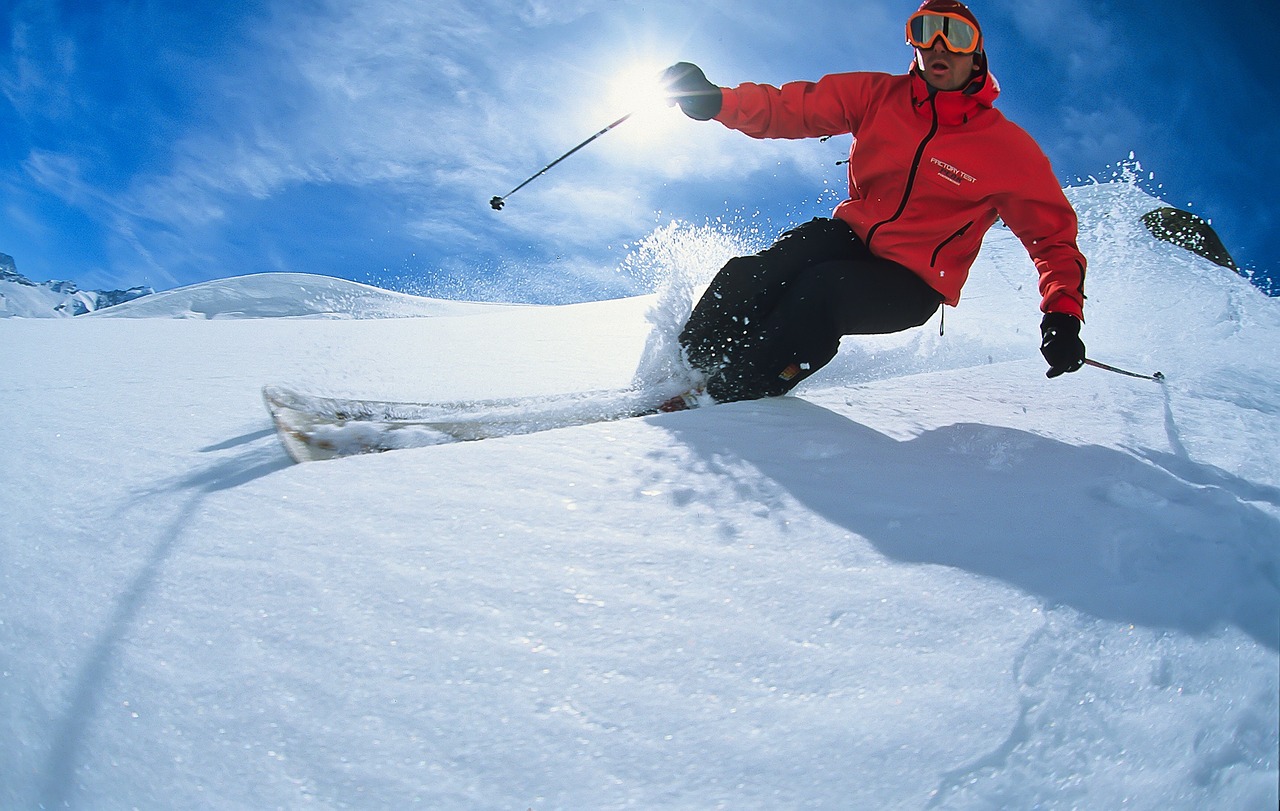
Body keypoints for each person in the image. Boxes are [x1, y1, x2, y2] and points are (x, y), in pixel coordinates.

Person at [659, 0, 1087, 407]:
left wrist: (1062, 315)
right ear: (914, 45)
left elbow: (1051, 238)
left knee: (819, 294)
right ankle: (684, 371)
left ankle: (730, 395)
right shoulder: (879, 96)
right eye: (926, 32)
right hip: (852, 236)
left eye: (956, 36)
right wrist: (719, 101)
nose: (939, 46)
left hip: (915, 280)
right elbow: (796, 107)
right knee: (756, 273)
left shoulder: (1007, 149)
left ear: (976, 55)